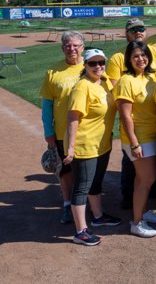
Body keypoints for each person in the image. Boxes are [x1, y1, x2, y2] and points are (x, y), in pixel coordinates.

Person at [107, 19, 156, 209]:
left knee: (155, 160)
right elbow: (114, 86)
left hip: (154, 121)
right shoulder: (119, 58)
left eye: (141, 29)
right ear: (126, 33)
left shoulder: (155, 54)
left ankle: (154, 191)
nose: (138, 32)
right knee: (132, 163)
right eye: (133, 29)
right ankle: (129, 197)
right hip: (135, 123)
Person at [63, 49, 119, 246]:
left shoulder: (103, 82)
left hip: (102, 144)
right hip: (84, 145)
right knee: (82, 186)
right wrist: (70, 148)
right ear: (84, 65)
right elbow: (72, 118)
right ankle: (80, 231)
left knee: (95, 183)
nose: (98, 67)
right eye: (92, 63)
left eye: (101, 62)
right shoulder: (82, 87)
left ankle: (98, 216)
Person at [114, 41, 156, 238]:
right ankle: (136, 223)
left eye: (143, 55)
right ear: (129, 59)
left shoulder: (150, 77)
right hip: (138, 137)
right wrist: (134, 142)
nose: (140, 59)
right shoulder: (126, 80)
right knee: (148, 179)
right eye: (135, 56)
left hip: (152, 134)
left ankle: (142, 212)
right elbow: (126, 115)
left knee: (142, 179)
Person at [40, 30, 85, 224]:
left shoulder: (92, 66)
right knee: (65, 171)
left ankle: (83, 204)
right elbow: (46, 106)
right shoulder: (53, 72)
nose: (72, 48)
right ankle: (68, 205)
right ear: (62, 48)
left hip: (88, 132)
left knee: (85, 171)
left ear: (82, 48)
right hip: (62, 133)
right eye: (68, 45)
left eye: (75, 45)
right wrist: (49, 133)